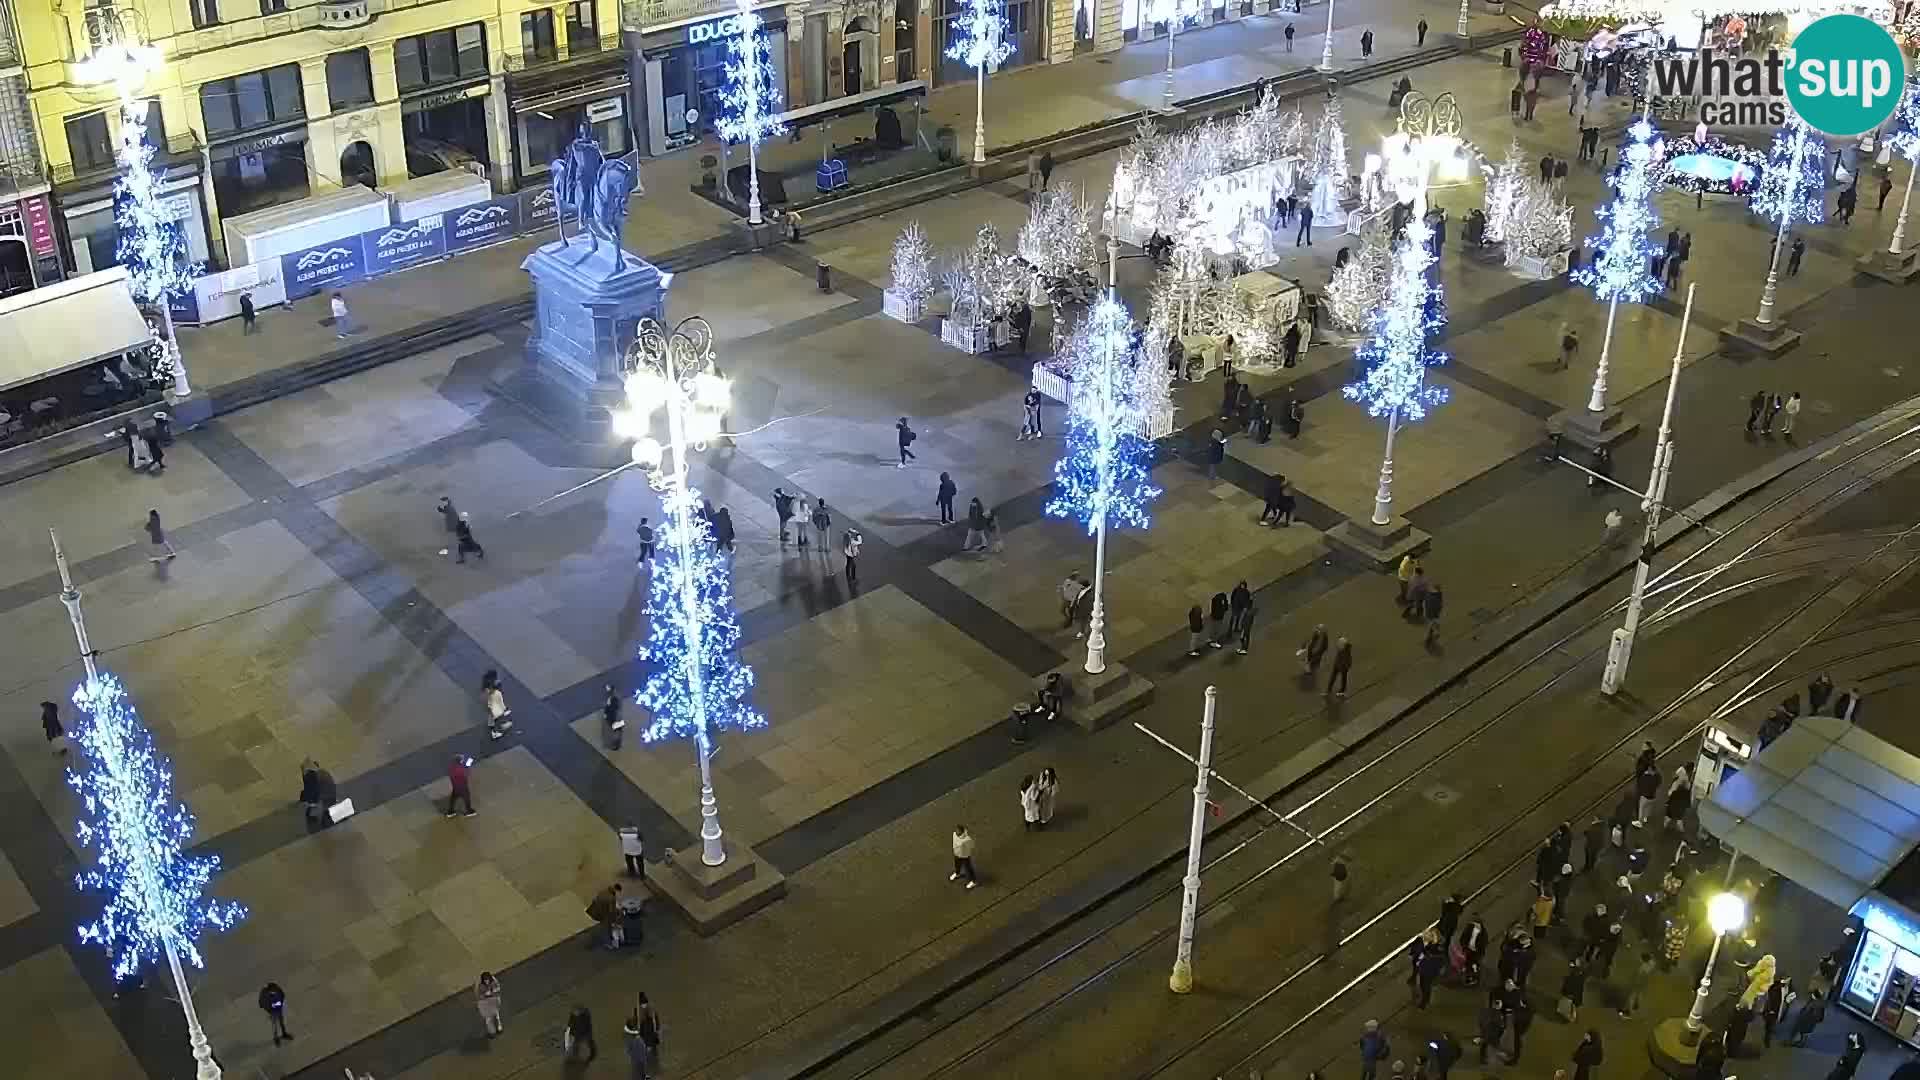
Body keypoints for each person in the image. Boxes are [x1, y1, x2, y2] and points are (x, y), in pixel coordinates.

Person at [587, 882, 624, 949]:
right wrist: (615, 920)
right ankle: (608, 944)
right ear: (616, 890)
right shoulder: (612, 898)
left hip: (596, 910)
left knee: (605, 927)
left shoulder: (605, 890)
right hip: (603, 914)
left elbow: (596, 899)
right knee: (606, 929)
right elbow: (611, 911)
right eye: (618, 892)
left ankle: (608, 940)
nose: (618, 894)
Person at [634, 992, 663, 1073]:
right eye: (643, 1004)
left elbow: (655, 1021)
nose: (644, 1006)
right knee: (648, 1048)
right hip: (645, 1033)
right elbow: (637, 1023)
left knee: (652, 1048)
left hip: (650, 1032)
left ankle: (652, 1063)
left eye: (645, 1004)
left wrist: (657, 1030)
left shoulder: (651, 1011)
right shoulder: (638, 1011)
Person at [476, 972, 504, 1037]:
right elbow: (479, 996)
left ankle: (499, 1029)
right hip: (485, 1004)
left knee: (496, 1016)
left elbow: (498, 990)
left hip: (493, 1001)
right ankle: (492, 1032)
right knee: (488, 1019)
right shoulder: (480, 985)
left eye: (488, 979)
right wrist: (485, 995)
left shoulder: (494, 981)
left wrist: (491, 993)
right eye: (485, 980)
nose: (487, 981)